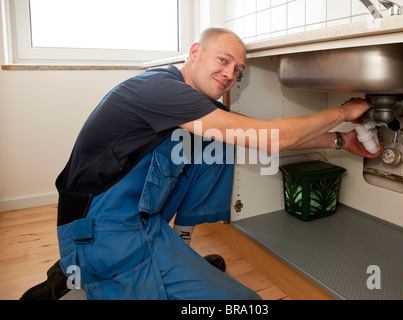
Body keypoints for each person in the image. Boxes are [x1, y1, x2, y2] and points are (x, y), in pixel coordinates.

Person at [21, 27, 381, 300]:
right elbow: (274, 137)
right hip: (102, 230)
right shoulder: (158, 89)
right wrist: (343, 112)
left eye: (238, 70)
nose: (231, 74)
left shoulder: (187, 101)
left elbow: (257, 137)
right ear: (195, 53)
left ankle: (175, 250)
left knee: (219, 142)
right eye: (223, 61)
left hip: (138, 220)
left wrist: (340, 141)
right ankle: (74, 283)